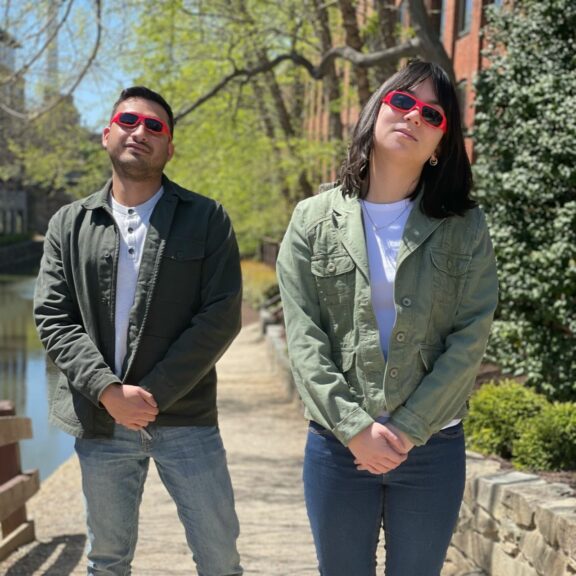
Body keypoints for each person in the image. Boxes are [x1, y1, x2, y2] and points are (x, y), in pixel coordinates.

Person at [276, 59, 499, 576]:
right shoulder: (311, 220)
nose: (413, 117)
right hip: (337, 445)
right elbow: (304, 337)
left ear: (442, 143)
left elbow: (471, 335)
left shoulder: (466, 228)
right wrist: (355, 428)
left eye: (432, 114)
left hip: (432, 447)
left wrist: (408, 428)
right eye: (402, 102)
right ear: (375, 112)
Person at [34, 86, 243, 576]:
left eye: (155, 126)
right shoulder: (69, 223)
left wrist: (150, 395)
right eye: (129, 121)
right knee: (106, 562)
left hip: (187, 420)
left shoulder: (207, 219)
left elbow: (220, 316)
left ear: (170, 148)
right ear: (107, 133)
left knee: (219, 558)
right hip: (102, 422)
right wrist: (108, 392)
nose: (140, 132)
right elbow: (54, 317)